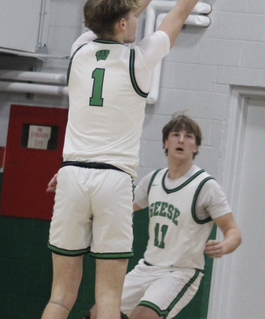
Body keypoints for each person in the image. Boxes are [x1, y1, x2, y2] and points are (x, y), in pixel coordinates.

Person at [42, 0, 250, 319]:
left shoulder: (79, 49)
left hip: (71, 175)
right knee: (109, 298)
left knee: (60, 296)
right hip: (112, 181)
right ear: (123, 24)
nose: (138, 18)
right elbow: (180, 12)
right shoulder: (139, 59)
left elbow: (117, 13)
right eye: (132, 17)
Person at [85, 114, 241, 319]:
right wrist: (86, 194)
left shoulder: (205, 186)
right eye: (176, 135)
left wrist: (225, 245)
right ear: (166, 143)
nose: (181, 140)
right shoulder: (153, 179)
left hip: (180, 272)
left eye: (188, 136)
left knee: (144, 316)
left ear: (196, 147)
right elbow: (121, 207)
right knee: (98, 313)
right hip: (147, 267)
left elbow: (233, 230)